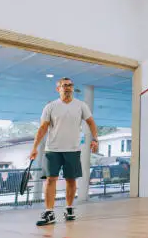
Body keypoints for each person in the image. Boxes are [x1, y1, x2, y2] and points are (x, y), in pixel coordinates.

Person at [29, 77, 99, 226]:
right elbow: (43, 128)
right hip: (52, 150)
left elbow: (91, 122)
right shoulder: (51, 106)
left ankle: (69, 208)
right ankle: (49, 212)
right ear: (58, 89)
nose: (68, 87)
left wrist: (95, 139)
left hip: (73, 150)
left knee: (71, 180)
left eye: (70, 85)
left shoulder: (81, 105)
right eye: (64, 85)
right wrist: (35, 147)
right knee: (50, 180)